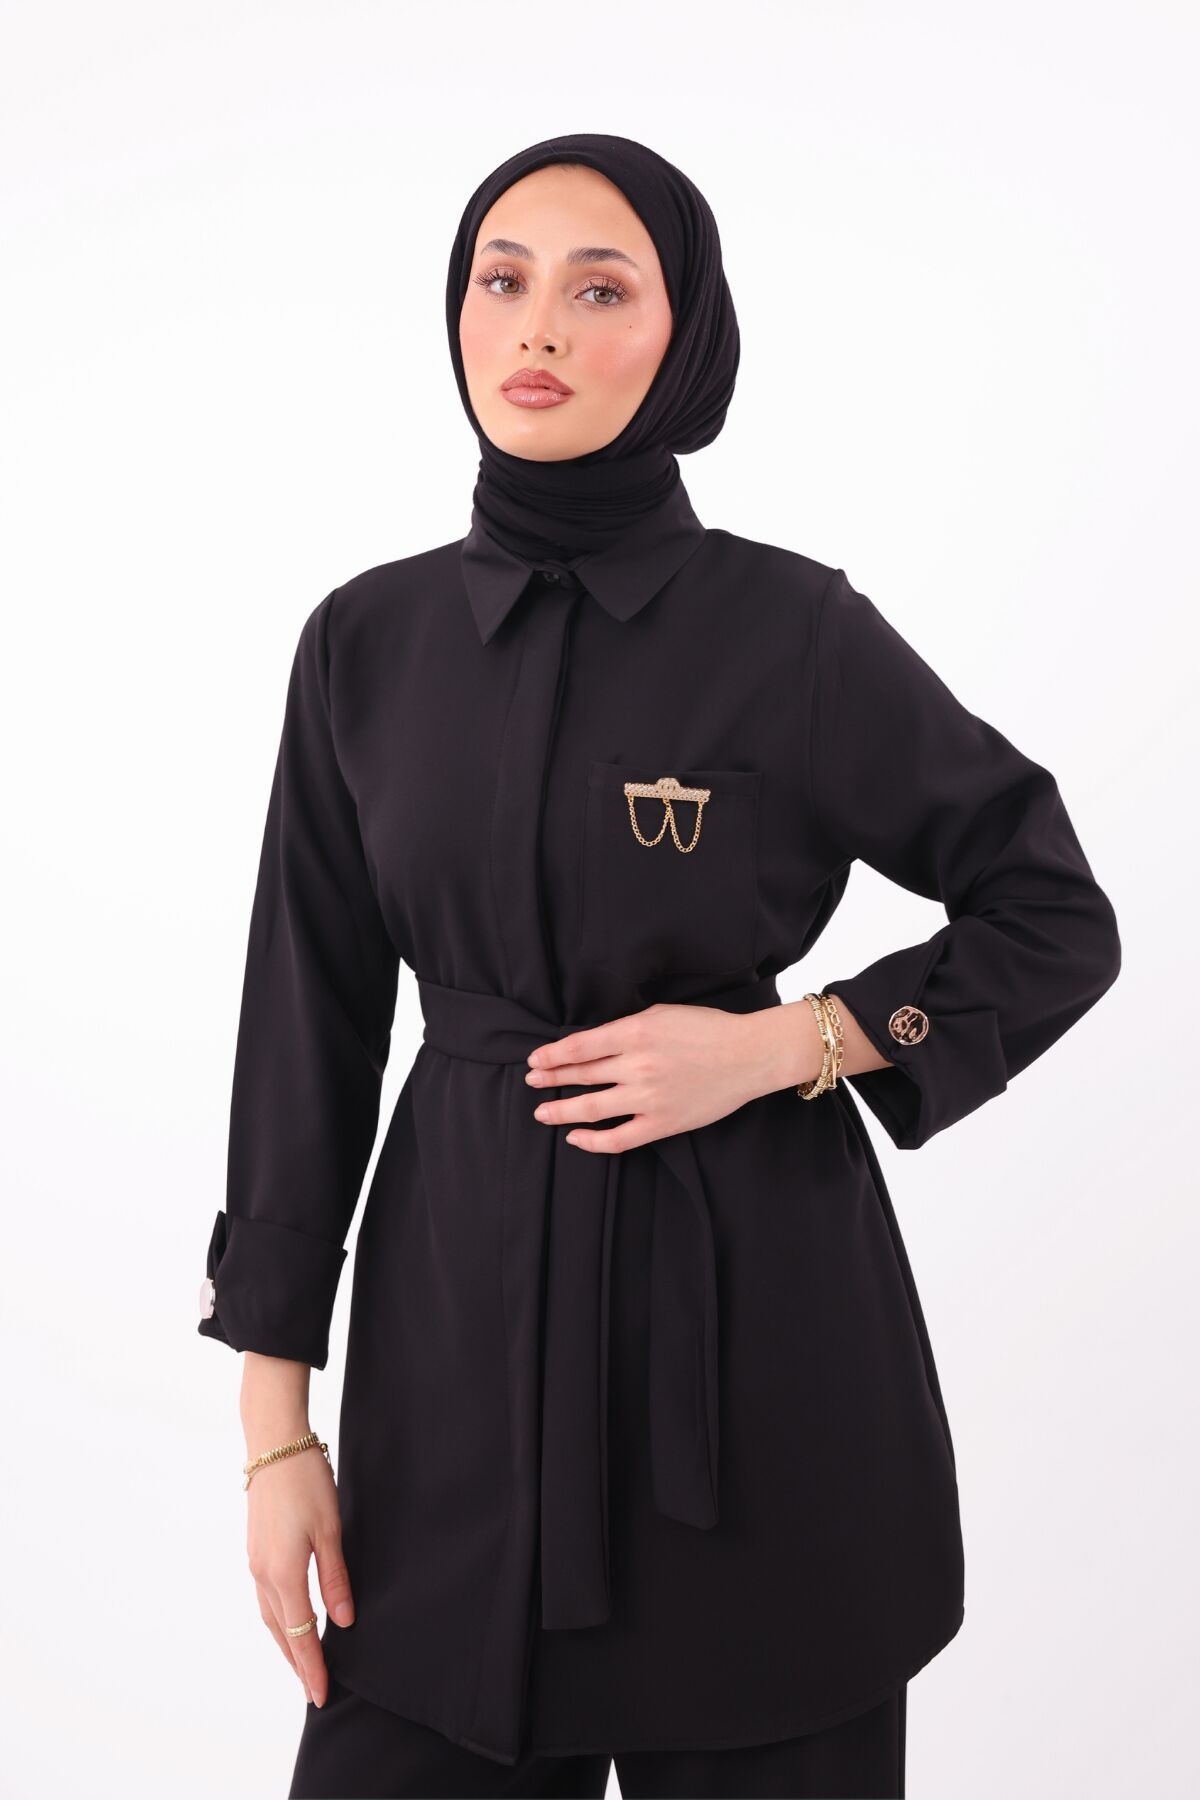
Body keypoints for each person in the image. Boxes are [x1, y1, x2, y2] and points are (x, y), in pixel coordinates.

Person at [196, 133, 1122, 1799]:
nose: (537, 326)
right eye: (502, 278)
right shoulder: (364, 645)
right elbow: (304, 1032)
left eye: (600, 288)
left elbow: (1053, 907)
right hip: (452, 1383)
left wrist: (789, 1042)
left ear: (684, 339)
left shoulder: (795, 633)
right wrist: (278, 1438)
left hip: (762, 1381)